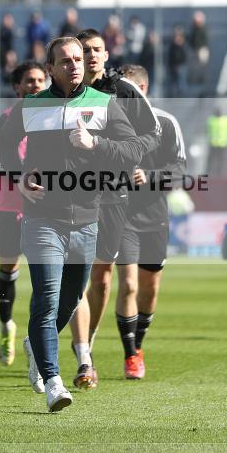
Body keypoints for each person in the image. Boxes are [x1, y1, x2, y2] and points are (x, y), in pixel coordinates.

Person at [0, 36, 143, 412]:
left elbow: (133, 151)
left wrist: (95, 144)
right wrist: (19, 175)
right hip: (43, 219)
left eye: (78, 58)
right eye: (65, 60)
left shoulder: (104, 104)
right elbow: (3, 145)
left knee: (71, 299)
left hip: (87, 220)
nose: (75, 65)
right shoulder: (31, 106)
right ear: (50, 68)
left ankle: (34, 344)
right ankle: (54, 383)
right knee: (46, 302)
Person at [69, 30, 160, 390]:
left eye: (95, 50)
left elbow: (153, 132)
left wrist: (123, 153)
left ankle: (86, 347)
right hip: (69, 194)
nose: (90, 56)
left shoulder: (122, 90)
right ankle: (82, 357)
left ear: (106, 55)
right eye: (83, 51)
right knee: (73, 276)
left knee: (102, 278)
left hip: (113, 196)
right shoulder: (62, 89)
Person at [114, 64, 186, 378]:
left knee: (149, 288)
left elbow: (182, 171)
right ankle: (130, 355)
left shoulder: (167, 123)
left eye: (130, 91)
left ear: (142, 90)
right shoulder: (108, 122)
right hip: (120, 216)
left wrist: (151, 177)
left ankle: (138, 343)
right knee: (128, 284)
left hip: (155, 218)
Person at [0, 61, 46, 366]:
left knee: (44, 277)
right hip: (9, 209)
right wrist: (15, 176)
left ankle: (36, 340)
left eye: (40, 80)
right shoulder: (3, 121)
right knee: (7, 272)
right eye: (29, 81)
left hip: (45, 209)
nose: (36, 85)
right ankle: (7, 327)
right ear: (17, 87)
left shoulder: (54, 121)